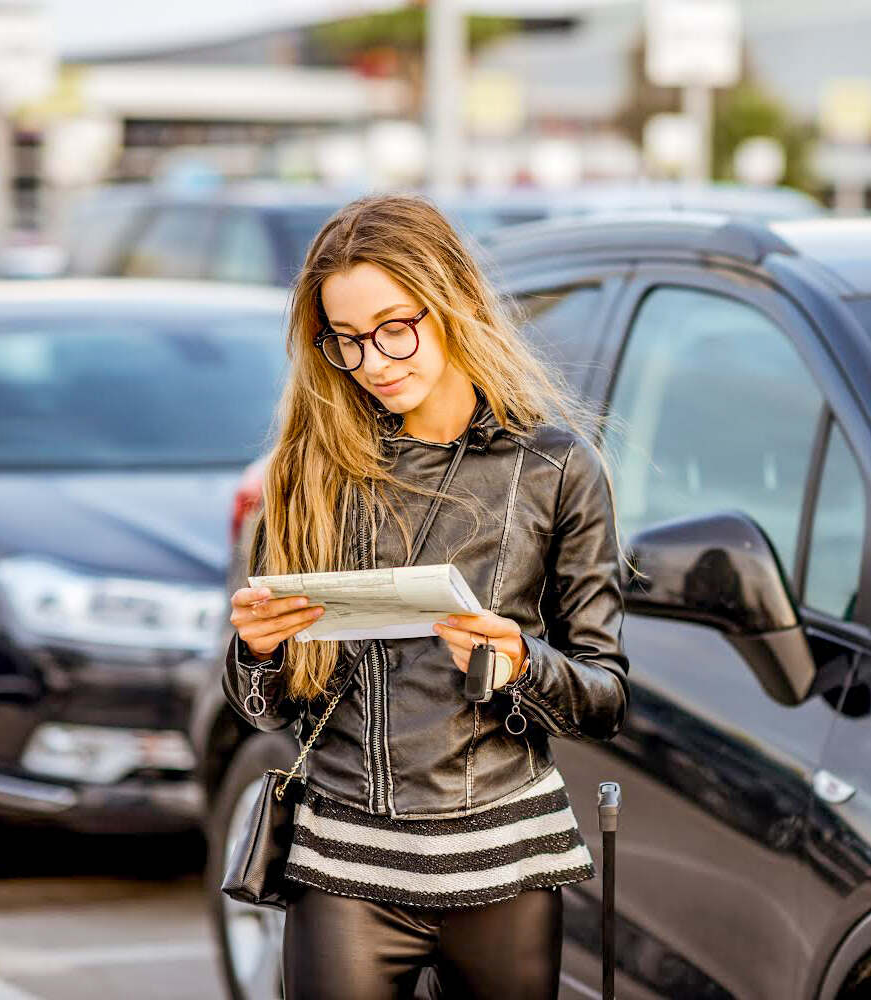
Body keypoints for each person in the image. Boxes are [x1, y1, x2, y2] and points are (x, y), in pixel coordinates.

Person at [220, 193, 630, 999]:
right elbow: (261, 709)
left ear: (453, 303)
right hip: (343, 864)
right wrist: (258, 651)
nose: (373, 361)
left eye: (393, 327)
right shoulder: (308, 474)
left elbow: (606, 697)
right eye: (346, 341)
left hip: (508, 862)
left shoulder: (554, 468)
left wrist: (518, 662)